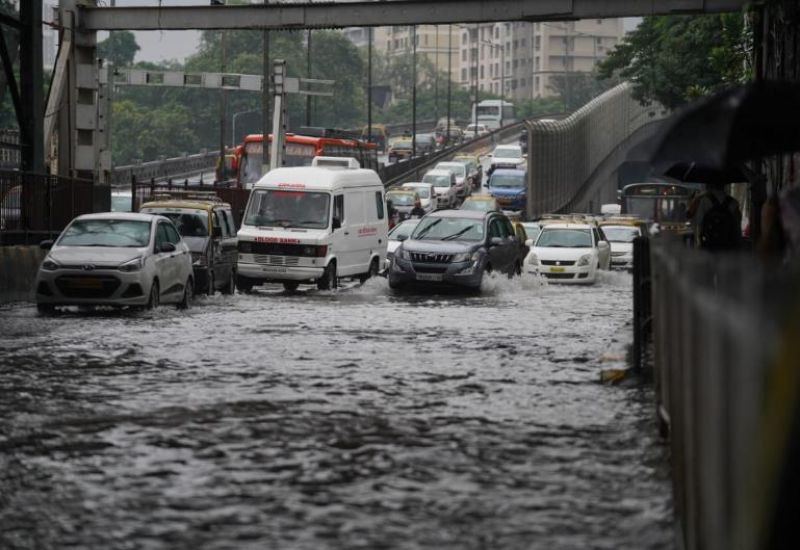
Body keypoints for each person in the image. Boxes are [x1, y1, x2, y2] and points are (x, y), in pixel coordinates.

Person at [687, 181, 743, 251]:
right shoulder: (733, 202)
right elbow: (737, 227)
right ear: (724, 186)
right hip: (728, 246)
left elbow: (698, 223)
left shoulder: (704, 200)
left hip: (709, 245)